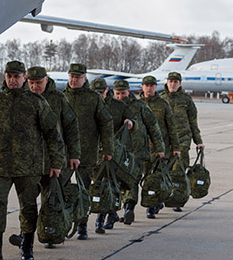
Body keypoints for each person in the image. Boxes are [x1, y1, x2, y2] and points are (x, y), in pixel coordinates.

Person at [0, 61, 65, 260]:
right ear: (5, 77)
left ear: (24, 78)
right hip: (0, 165)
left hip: (29, 167)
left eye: (17, 76)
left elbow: (53, 133)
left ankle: (27, 248)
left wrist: (56, 162)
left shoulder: (36, 102)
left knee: (28, 207)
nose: (13, 80)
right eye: (9, 76)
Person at [25, 65, 81, 246]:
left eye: (39, 83)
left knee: (51, 199)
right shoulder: (24, 98)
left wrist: (74, 154)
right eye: (32, 83)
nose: (35, 87)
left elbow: (71, 127)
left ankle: (51, 231)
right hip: (29, 160)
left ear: (46, 80)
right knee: (27, 201)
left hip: (53, 159)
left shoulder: (58, 99)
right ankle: (26, 238)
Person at [63, 64, 114, 236]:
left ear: (85, 79)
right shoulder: (61, 97)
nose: (74, 80)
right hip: (63, 155)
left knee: (83, 191)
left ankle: (82, 225)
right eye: (72, 77)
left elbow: (106, 123)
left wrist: (108, 148)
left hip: (87, 153)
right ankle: (61, 224)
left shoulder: (93, 98)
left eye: (78, 77)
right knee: (60, 189)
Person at [112, 80, 164, 224]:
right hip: (117, 153)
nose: (121, 96)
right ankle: (111, 213)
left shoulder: (140, 106)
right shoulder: (111, 107)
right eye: (118, 94)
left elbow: (153, 127)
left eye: (123, 93)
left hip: (137, 152)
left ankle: (129, 208)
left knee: (132, 180)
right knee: (115, 182)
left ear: (129, 92)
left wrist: (159, 148)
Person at [90, 77, 134, 230]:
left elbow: (131, 120)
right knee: (98, 184)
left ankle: (101, 219)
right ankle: (110, 214)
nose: (98, 95)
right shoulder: (88, 105)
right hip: (94, 152)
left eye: (101, 92)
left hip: (113, 153)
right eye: (95, 92)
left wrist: (130, 123)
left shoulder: (118, 106)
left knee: (109, 184)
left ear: (106, 91)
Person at [160, 71, 204, 211]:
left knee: (179, 170)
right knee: (162, 169)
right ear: (167, 83)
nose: (173, 84)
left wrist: (199, 141)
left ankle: (177, 199)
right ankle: (159, 198)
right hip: (165, 140)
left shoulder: (186, 99)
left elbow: (193, 121)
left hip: (183, 138)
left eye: (176, 82)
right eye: (171, 81)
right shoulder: (161, 99)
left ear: (180, 84)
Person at [139, 75, 181, 218]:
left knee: (156, 177)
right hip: (141, 149)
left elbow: (172, 128)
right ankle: (154, 201)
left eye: (152, 85)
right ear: (142, 87)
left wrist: (176, 148)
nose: (149, 88)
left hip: (160, 149)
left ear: (155, 87)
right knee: (145, 177)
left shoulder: (163, 105)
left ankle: (151, 205)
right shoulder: (136, 104)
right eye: (146, 85)